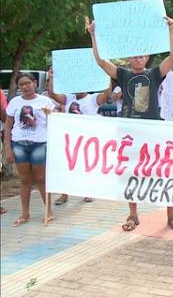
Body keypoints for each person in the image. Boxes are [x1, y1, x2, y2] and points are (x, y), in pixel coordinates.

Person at [88, 16, 173, 231]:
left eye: (142, 56)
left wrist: (171, 30)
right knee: (131, 171)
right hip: (130, 132)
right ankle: (132, 215)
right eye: (135, 56)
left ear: (147, 57)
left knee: (163, 171)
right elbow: (101, 61)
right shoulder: (123, 75)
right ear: (129, 59)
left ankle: (171, 213)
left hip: (154, 129)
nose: (138, 59)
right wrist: (93, 35)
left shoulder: (155, 74)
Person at [46, 68, 111, 205]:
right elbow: (52, 93)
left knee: (87, 165)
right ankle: (64, 194)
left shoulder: (93, 99)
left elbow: (107, 93)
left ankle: (89, 191)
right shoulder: (69, 98)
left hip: (87, 140)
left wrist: (107, 75)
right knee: (67, 166)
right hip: (70, 138)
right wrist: (51, 77)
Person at [4, 72, 56, 227]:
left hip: (39, 144)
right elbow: (8, 126)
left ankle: (48, 211)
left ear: (34, 83)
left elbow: (55, 121)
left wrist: (50, 114)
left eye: (28, 83)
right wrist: (8, 148)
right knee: (24, 180)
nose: (25, 87)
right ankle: (25, 213)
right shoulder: (14, 102)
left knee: (41, 180)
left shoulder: (45, 101)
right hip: (19, 144)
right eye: (21, 84)